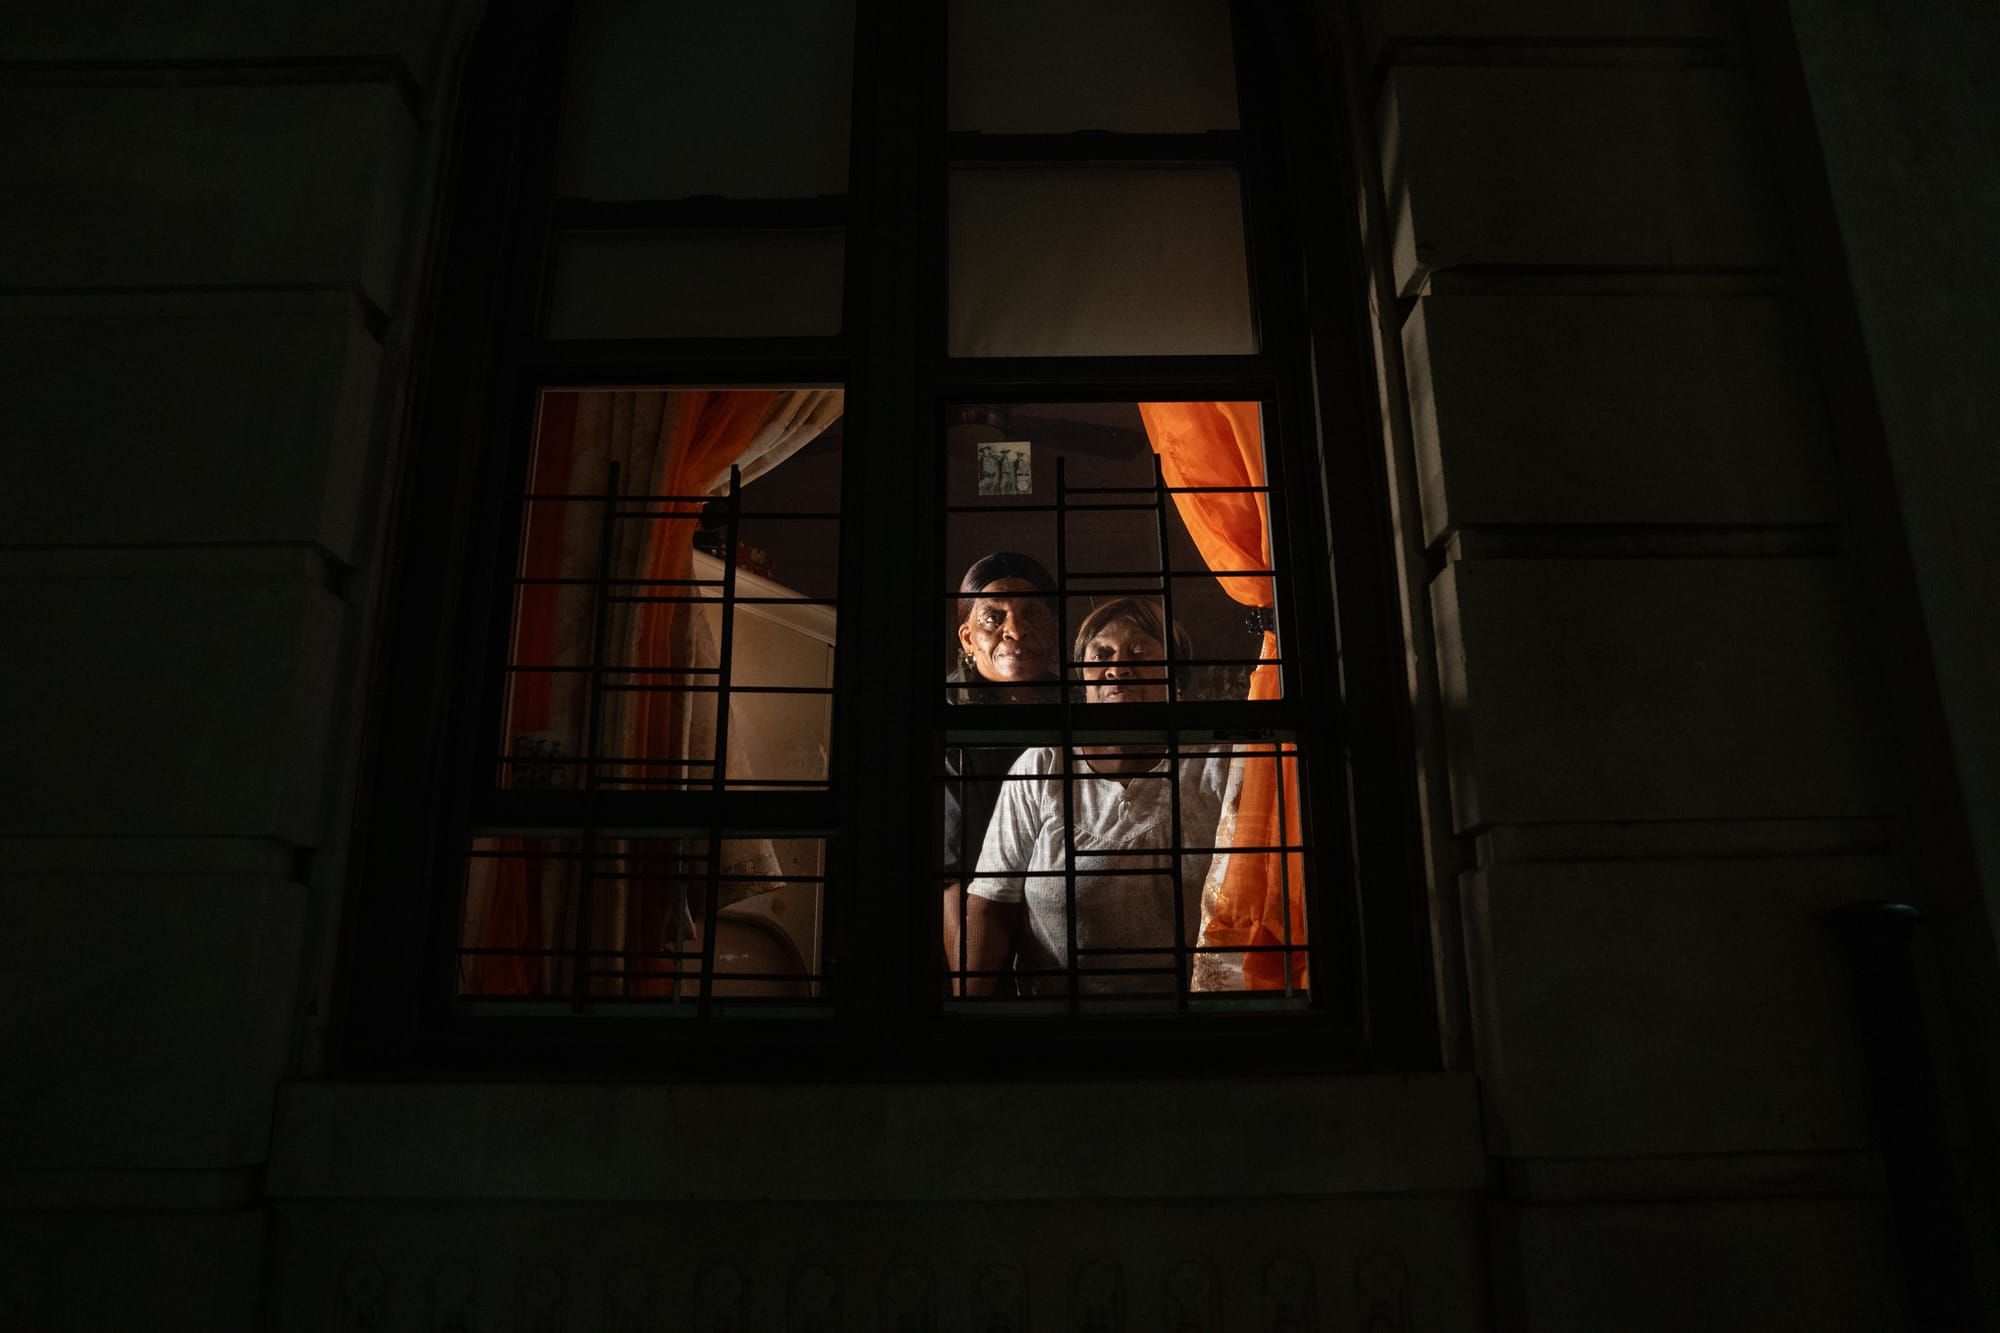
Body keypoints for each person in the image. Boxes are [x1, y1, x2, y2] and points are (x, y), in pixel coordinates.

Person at [962, 597, 1228, 996]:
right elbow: (991, 901)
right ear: (1083, 677)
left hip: (1189, 1016)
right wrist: (971, 1013)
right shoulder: (1042, 766)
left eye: (1139, 651)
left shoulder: (1218, 766)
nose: (1118, 667)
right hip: (1058, 1018)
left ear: (1175, 676)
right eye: (1101, 653)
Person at [941, 553, 1060, 980]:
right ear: (968, 638)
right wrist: (973, 990)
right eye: (993, 618)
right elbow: (950, 873)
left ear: (1052, 627)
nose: (1014, 629)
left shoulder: (1080, 709)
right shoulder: (946, 722)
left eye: (1032, 614)